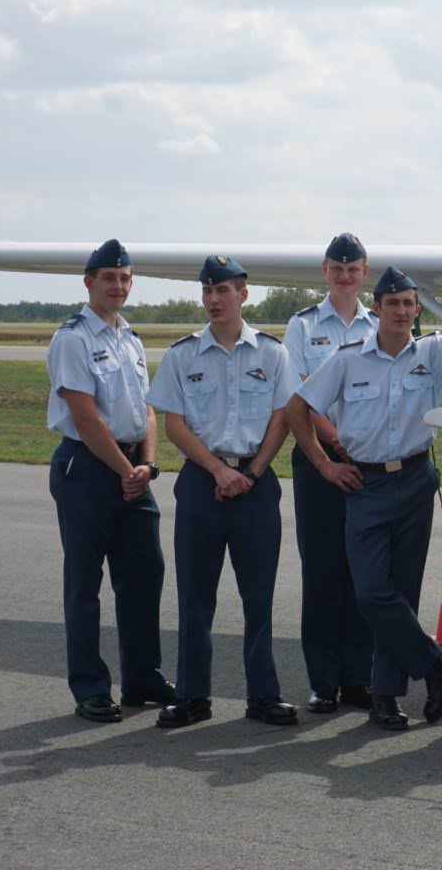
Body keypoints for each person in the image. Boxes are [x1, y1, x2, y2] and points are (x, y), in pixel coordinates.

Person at [285, 266, 442, 731]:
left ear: (416, 311)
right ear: (377, 309)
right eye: (392, 303)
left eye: (408, 304)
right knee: (372, 592)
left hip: (415, 481)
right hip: (366, 484)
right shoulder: (348, 358)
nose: (401, 311)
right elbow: (298, 408)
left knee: (403, 590)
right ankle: (435, 661)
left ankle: (386, 697)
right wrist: (324, 465)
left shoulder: (432, 352)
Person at [147, 256, 299, 728]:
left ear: (243, 295)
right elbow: (174, 424)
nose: (214, 300)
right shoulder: (181, 355)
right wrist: (217, 470)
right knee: (195, 595)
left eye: (223, 291)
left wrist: (251, 473)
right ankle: (193, 696)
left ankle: (263, 695)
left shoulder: (272, 354)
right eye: (208, 292)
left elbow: (282, 419)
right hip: (201, 483)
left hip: (255, 484)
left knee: (258, 596)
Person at [45, 239, 172, 722]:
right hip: (90, 470)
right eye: (108, 279)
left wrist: (148, 466)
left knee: (144, 576)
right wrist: (128, 471)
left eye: (124, 278)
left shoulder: (131, 339)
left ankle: (142, 677)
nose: (118, 286)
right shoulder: (73, 338)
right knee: (84, 583)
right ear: (89, 282)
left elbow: (147, 409)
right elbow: (85, 418)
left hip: (134, 470)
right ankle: (90, 687)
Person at [282, 232, 378, 714]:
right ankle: (323, 680)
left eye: (353, 268)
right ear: (325, 270)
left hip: (367, 459)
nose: (345, 275)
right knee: (322, 571)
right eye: (336, 268)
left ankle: (358, 677)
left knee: (362, 572)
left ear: (364, 272)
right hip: (318, 457)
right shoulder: (302, 327)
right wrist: (334, 439)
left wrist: (353, 444)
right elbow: (299, 390)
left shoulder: (380, 321)